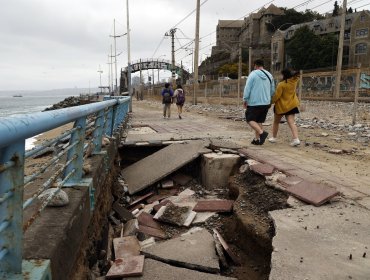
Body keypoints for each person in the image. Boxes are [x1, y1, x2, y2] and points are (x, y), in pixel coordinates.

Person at [243, 59, 275, 145]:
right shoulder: (269, 75)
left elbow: (247, 88)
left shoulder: (253, 74)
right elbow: (272, 91)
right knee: (259, 120)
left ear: (255, 65)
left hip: (254, 102)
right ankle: (257, 140)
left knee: (250, 119)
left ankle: (262, 133)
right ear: (262, 65)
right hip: (266, 103)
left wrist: (245, 99)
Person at [269, 69, 301, 146]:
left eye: (281, 74)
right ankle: (296, 139)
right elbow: (296, 77)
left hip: (281, 106)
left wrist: (270, 102)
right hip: (292, 105)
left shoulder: (281, 84)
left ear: (284, 75)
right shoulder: (294, 82)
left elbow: (277, 96)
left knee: (276, 122)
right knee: (291, 122)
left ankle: (274, 137)